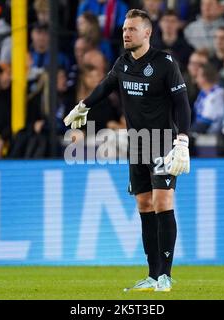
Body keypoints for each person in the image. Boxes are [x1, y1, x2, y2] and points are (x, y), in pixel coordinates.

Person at [63, 9, 191, 292]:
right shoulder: (122, 63)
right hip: (137, 144)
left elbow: (182, 104)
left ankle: (166, 276)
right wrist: (83, 105)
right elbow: (106, 85)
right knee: (144, 205)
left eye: (132, 29)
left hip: (161, 142)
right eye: (124, 29)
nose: (126, 33)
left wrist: (182, 140)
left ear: (147, 33)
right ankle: (153, 274)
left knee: (162, 202)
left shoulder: (165, 63)